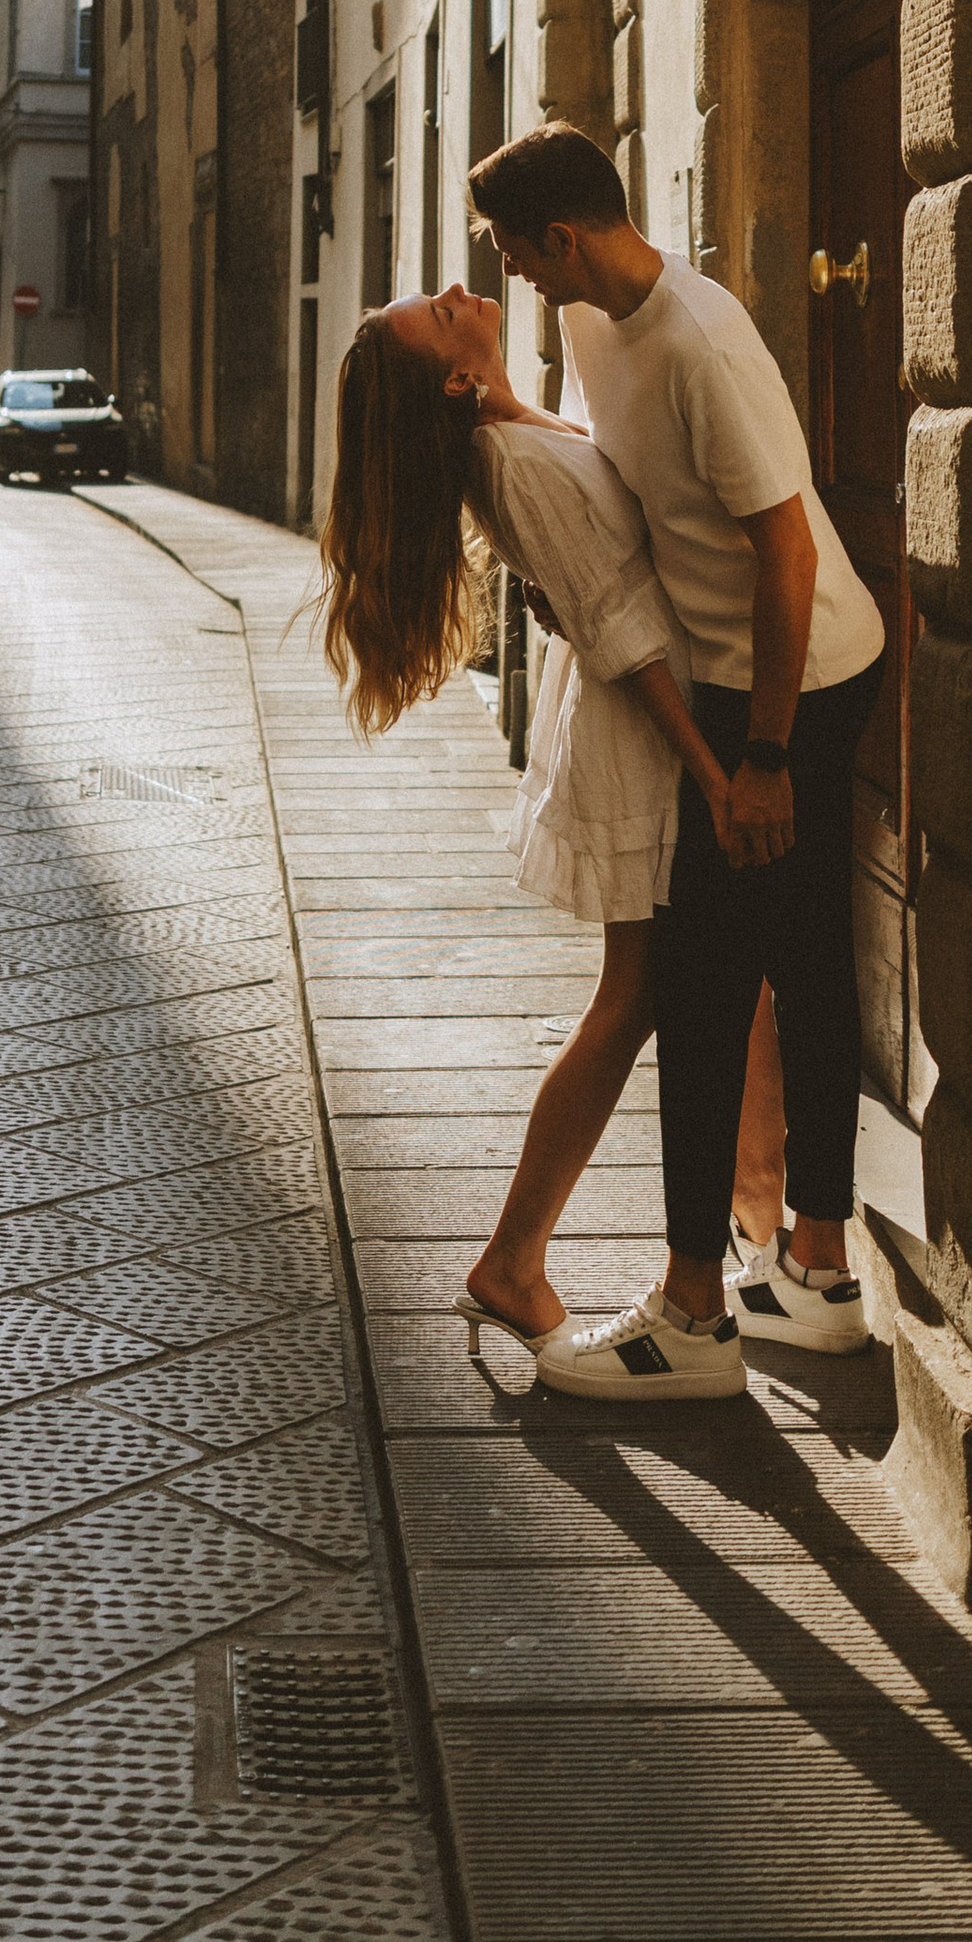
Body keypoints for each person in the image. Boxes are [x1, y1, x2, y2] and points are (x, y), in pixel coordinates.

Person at [468, 122, 885, 1390]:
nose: (513, 278)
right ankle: (815, 1271)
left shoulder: (699, 341)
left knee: (701, 989)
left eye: (513, 254)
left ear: (563, 236)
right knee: (808, 960)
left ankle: (694, 1316)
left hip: (794, 685)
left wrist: (758, 754)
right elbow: (620, 471)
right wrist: (508, 413)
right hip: (748, 685)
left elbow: (788, 554)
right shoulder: (593, 322)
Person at [317, 283, 762, 1398]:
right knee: (639, 990)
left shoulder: (513, 427)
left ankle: (753, 1208)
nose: (461, 291)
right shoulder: (508, 461)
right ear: (453, 378)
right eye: (438, 310)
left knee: (683, 982)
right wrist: (711, 768)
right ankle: (517, 1259)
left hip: (643, 724)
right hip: (641, 735)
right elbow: (622, 628)